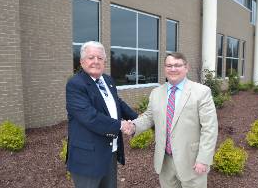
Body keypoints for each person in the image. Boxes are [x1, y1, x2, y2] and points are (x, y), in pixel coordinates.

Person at [124, 52, 218, 188]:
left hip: (192, 161)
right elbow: (148, 117)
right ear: (164, 68)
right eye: (169, 65)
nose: (173, 69)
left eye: (177, 65)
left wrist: (203, 159)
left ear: (186, 68)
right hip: (165, 161)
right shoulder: (156, 93)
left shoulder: (201, 92)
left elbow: (210, 128)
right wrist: (133, 126)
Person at [65, 41, 137, 188]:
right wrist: (120, 125)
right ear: (82, 61)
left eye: (100, 58)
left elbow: (119, 104)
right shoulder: (75, 84)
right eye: (91, 57)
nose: (96, 61)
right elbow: (89, 117)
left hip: (109, 152)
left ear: (105, 61)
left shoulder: (108, 80)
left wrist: (141, 121)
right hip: (87, 158)